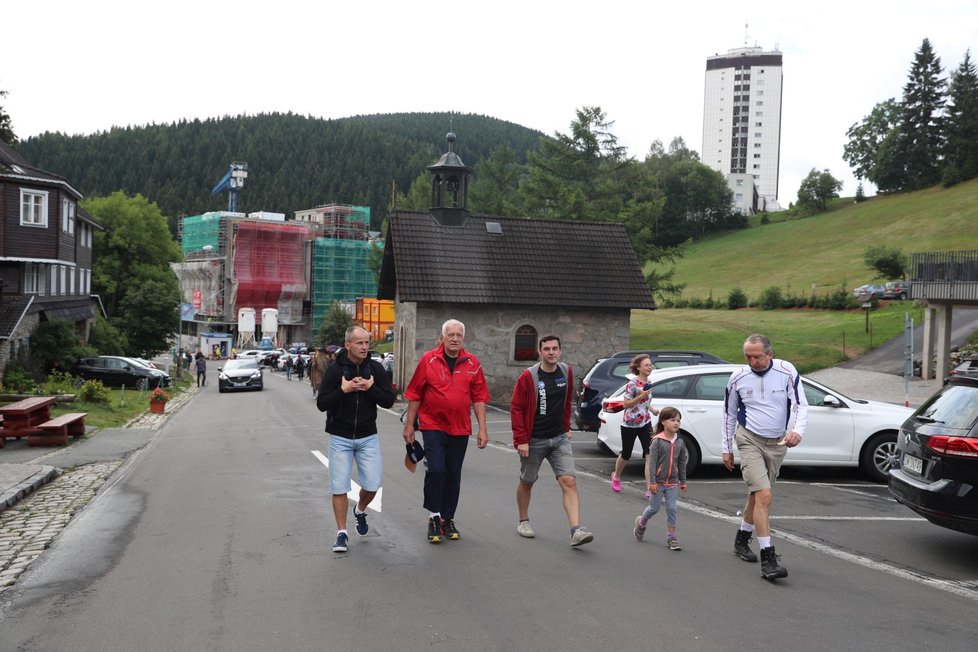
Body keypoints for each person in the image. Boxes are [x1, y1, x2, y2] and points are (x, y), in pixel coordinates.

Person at [722, 333, 808, 580]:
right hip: (749, 439)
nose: (752, 361)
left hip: (777, 443)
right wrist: (727, 447)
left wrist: (797, 431)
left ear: (769, 354)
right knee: (765, 495)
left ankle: (741, 540)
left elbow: (801, 404)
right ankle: (768, 559)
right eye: (747, 357)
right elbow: (728, 414)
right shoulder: (738, 377)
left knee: (757, 495)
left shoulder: (786, 371)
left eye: (757, 357)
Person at [402, 319, 489, 544]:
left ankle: (447, 518)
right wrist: (410, 425)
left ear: (463, 339)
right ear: (442, 338)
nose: (454, 339)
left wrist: (482, 430)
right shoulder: (428, 359)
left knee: (453, 473)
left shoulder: (473, 363)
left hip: (460, 427)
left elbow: (479, 398)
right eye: (450, 335)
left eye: (458, 335)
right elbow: (415, 393)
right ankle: (434, 516)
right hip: (433, 425)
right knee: (437, 470)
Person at [316, 326, 395, 553]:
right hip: (339, 437)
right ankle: (342, 533)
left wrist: (371, 388)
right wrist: (344, 390)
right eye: (359, 343)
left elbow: (389, 401)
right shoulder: (334, 370)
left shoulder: (376, 369)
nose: (364, 347)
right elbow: (322, 404)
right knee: (339, 487)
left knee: (372, 484)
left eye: (367, 343)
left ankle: (360, 510)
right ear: (348, 345)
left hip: (367, 436)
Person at [511, 335, 594, 547]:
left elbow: (567, 401)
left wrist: (566, 427)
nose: (551, 352)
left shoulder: (566, 372)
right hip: (534, 439)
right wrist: (521, 440)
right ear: (539, 352)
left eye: (555, 348)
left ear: (560, 351)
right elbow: (517, 408)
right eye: (546, 348)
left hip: (558, 439)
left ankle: (576, 530)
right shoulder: (528, 376)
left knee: (569, 481)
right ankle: (523, 520)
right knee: (527, 481)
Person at [633, 407, 688, 550]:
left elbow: (682, 462)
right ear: (663, 422)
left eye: (678, 420)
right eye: (672, 420)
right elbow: (652, 464)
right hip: (658, 482)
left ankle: (671, 538)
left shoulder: (680, 442)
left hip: (672, 482)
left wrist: (683, 481)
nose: (676, 423)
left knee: (672, 509)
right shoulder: (657, 441)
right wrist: (652, 482)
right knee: (654, 508)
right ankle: (641, 523)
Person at [610, 354, 660, 494]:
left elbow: (644, 402)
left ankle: (650, 488)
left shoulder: (648, 382)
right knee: (626, 454)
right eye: (646, 365)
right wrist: (641, 396)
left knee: (649, 454)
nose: (649, 367)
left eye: (650, 365)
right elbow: (626, 404)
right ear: (638, 368)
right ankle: (616, 476)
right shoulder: (632, 384)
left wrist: (652, 409)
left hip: (645, 422)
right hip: (630, 424)